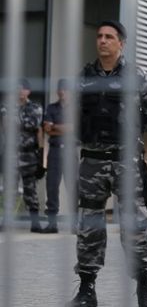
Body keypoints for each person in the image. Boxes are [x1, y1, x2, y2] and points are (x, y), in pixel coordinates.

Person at [68, 20, 147, 307]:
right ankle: (87, 290)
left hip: (126, 162)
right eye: (99, 36)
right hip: (92, 163)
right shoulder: (84, 77)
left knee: (135, 227)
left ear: (121, 43)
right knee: (89, 226)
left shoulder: (136, 75)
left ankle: (144, 288)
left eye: (109, 37)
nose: (103, 41)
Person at [0, 78, 45, 232]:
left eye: (23, 88)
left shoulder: (36, 107)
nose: (20, 91)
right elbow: (6, 127)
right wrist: (26, 123)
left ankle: (35, 222)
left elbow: (37, 127)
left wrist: (40, 154)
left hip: (30, 155)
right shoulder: (6, 107)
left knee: (30, 190)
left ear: (28, 91)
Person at [42, 78, 77, 233]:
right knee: (52, 187)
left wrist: (55, 127)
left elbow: (73, 128)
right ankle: (52, 224)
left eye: (66, 89)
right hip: (55, 151)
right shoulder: (51, 108)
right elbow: (47, 129)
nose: (63, 92)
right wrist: (63, 128)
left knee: (73, 187)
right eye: (60, 89)